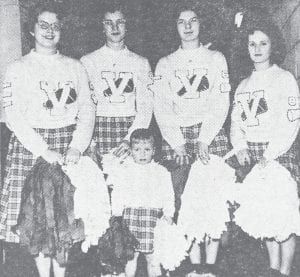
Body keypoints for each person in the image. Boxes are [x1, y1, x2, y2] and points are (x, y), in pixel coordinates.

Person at [0, 2, 95, 276]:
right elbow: (14, 115)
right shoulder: (17, 68)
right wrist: (44, 150)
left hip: (69, 143)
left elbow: (87, 108)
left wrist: (78, 145)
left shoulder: (75, 66)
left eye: (55, 26)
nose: (49, 31)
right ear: (32, 30)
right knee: (40, 220)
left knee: (65, 218)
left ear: (62, 31)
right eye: (43, 25)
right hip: (31, 146)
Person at [153, 2, 231, 276]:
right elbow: (160, 105)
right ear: (174, 27)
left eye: (193, 20)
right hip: (176, 137)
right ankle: (192, 267)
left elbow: (222, 100)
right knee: (183, 202)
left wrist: (205, 138)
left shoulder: (216, 59)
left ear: (201, 24)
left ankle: (210, 268)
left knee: (211, 202)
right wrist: (176, 141)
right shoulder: (165, 64)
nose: (188, 26)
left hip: (210, 135)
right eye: (181, 21)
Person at [231, 18, 300, 277]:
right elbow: (236, 122)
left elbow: (291, 120)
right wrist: (239, 145)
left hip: (278, 153)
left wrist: (270, 155)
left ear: (273, 46)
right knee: (264, 215)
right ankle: (272, 268)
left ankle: (285, 270)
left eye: (263, 43)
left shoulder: (284, 79)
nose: (257, 48)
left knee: (283, 216)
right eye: (252, 44)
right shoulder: (243, 85)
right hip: (254, 155)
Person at [80, 0, 153, 161]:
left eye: (120, 22)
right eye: (109, 23)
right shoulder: (88, 61)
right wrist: (88, 142)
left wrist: (131, 138)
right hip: (97, 129)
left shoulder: (141, 62)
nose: (114, 28)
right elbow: (84, 107)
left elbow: (146, 106)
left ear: (127, 26)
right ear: (102, 27)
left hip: (131, 129)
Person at [108, 128, 174, 277]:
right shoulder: (124, 170)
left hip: (153, 218)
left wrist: (169, 213)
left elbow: (169, 195)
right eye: (137, 149)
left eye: (147, 149)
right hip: (129, 217)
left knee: (153, 257)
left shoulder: (162, 172)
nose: (142, 154)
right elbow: (118, 193)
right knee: (131, 256)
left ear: (154, 150)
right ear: (131, 150)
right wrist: (117, 215)